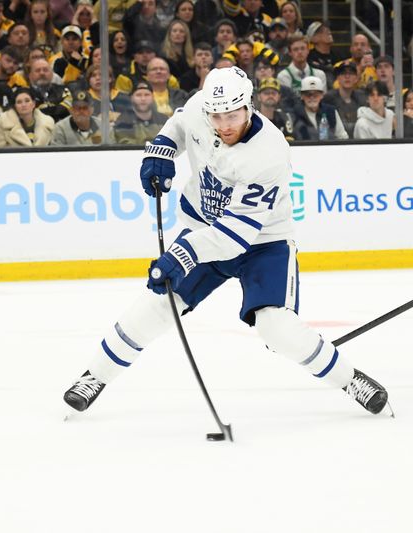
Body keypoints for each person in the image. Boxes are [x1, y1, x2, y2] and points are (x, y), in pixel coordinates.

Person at [62, 66, 391, 421]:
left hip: (263, 242)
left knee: (276, 328)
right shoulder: (201, 108)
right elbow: (179, 123)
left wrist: (182, 254)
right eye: (216, 115)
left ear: (248, 106)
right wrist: (162, 148)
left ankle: (350, 380)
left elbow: (236, 234)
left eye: (232, 115)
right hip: (205, 227)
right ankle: (94, 376)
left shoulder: (269, 152)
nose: (223, 124)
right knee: (157, 305)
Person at [292, 75, 348, 140]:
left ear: (322, 95)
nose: (312, 98)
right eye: (308, 94)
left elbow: (342, 136)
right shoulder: (294, 113)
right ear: (302, 96)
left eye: (315, 94)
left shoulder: (331, 111)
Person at [113, 80, 168, 144]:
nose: (143, 99)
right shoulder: (123, 120)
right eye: (138, 95)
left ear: (153, 97)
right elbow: (126, 145)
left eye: (147, 95)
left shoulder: (164, 120)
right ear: (131, 98)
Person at [322, 62, 366, 138]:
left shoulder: (362, 97)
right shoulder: (328, 98)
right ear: (338, 78)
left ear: (356, 78)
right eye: (343, 73)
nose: (347, 76)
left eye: (351, 73)